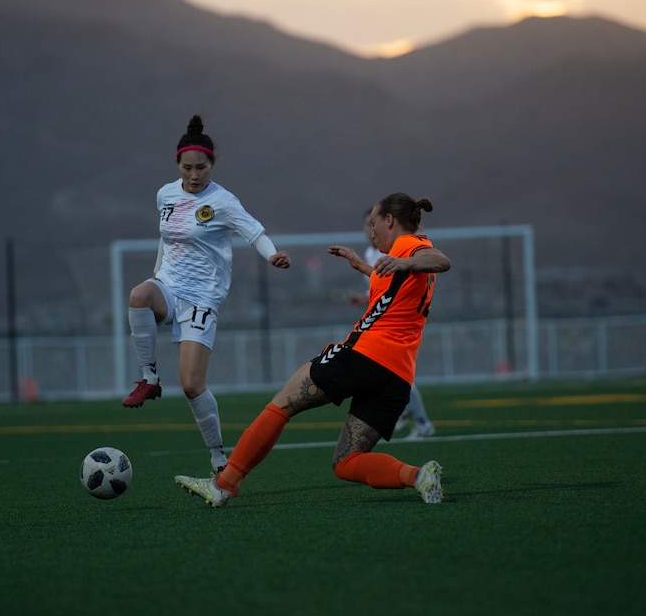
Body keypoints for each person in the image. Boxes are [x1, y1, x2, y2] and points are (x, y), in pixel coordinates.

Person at [175, 192, 451, 506]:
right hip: (398, 375)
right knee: (346, 462)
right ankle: (418, 476)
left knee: (281, 405)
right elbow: (395, 285)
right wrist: (361, 265)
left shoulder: (409, 246)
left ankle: (223, 485)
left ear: (390, 220)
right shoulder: (403, 263)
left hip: (364, 355)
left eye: (374, 223)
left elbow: (441, 260)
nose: (371, 232)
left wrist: (406, 260)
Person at [123, 115, 291, 476]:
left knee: (191, 384)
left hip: (202, 298)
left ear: (213, 164)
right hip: (169, 284)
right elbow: (165, 237)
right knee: (138, 295)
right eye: (187, 168)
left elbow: (255, 233)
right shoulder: (165, 194)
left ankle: (218, 457)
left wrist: (272, 254)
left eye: (201, 167)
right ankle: (149, 379)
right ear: (177, 165)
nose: (194, 175)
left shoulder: (224, 201)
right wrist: (157, 272)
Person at [351, 207, 436, 440]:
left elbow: (397, 288)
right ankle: (406, 414)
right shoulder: (372, 253)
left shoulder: (398, 249)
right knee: (384, 373)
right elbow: (380, 289)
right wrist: (363, 298)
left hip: (397, 323)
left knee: (396, 374)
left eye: (373, 224)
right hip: (381, 322)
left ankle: (421, 422)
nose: (369, 230)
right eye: (366, 225)